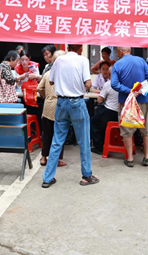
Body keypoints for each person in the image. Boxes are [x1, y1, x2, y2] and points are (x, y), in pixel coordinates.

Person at [42, 44, 99, 188]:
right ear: (80, 49)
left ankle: (47, 178)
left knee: (57, 141)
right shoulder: (83, 60)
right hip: (77, 103)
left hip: (61, 102)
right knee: (83, 141)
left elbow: (51, 81)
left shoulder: (59, 60)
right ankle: (86, 175)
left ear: (68, 48)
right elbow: (88, 83)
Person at [111, 47, 148, 167]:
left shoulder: (117, 64)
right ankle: (147, 157)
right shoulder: (141, 61)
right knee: (146, 129)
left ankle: (130, 158)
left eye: (116, 51)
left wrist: (130, 91)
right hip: (142, 100)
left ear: (120, 51)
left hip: (125, 102)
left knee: (127, 130)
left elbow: (114, 84)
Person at [37, 50, 67, 167]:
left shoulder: (48, 74)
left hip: (48, 106)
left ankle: (43, 157)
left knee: (47, 133)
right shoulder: (65, 75)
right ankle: (57, 159)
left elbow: (39, 88)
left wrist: (46, 96)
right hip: (61, 106)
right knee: (59, 135)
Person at [90, 66, 119, 155]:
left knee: (94, 122)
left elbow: (99, 100)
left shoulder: (109, 84)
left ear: (110, 74)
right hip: (120, 113)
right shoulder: (123, 83)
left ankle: (99, 147)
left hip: (109, 111)